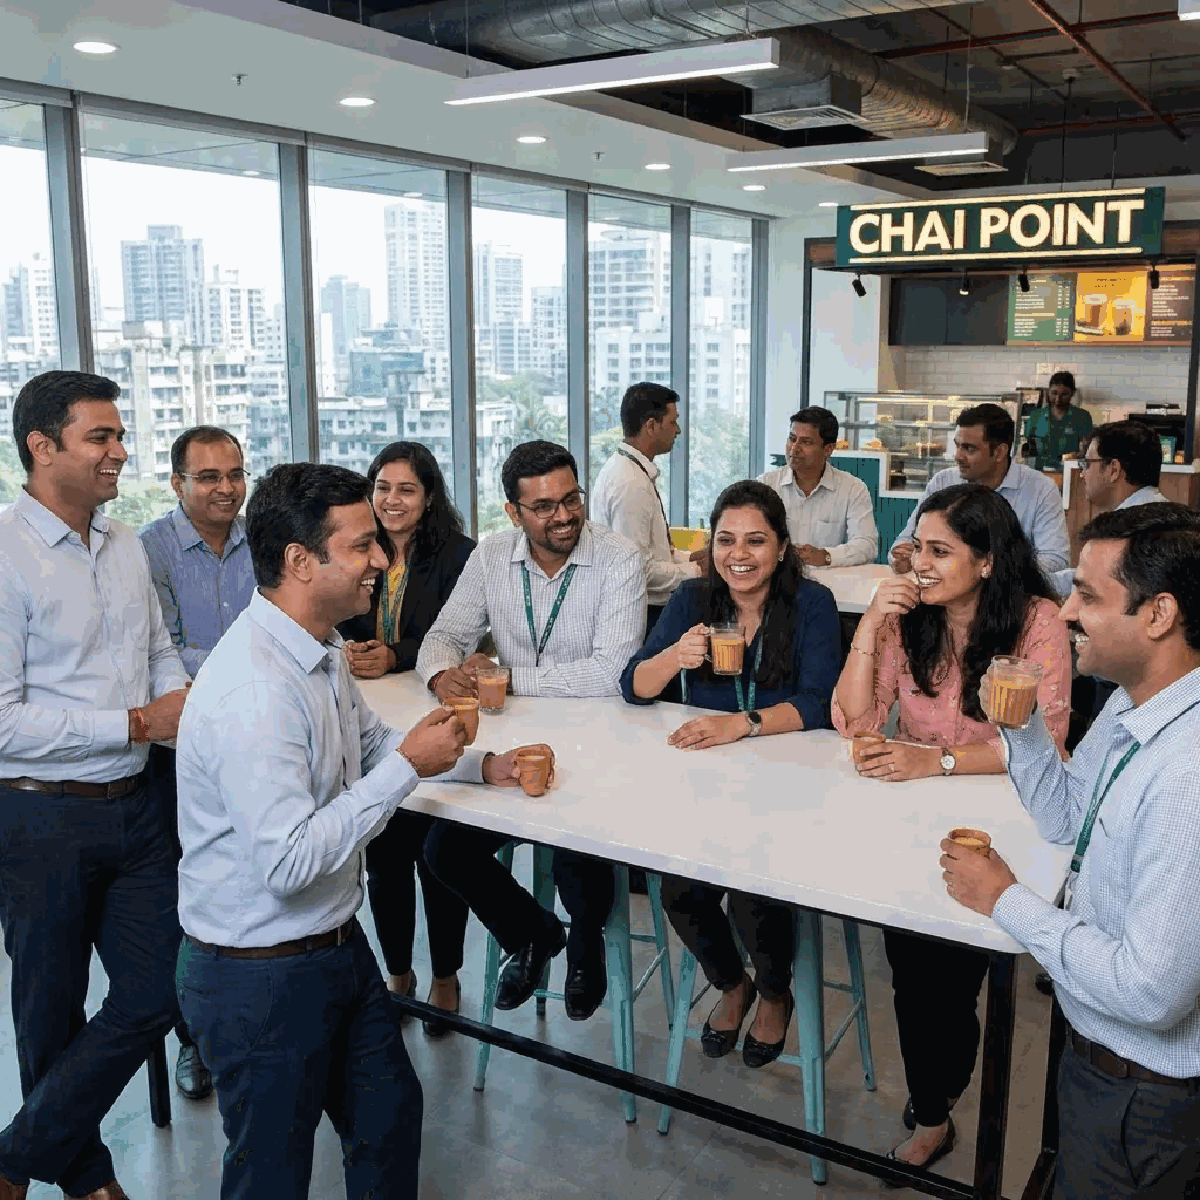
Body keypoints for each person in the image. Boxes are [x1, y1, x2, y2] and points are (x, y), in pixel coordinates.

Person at [174, 461, 555, 1200]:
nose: (380, 560)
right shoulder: (256, 689)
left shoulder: (316, 649)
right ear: (298, 561)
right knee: (270, 1175)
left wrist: (483, 766)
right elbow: (288, 860)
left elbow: (375, 747)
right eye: (360, 546)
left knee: (387, 1117)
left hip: (334, 951)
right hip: (258, 973)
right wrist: (407, 768)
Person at [943, 503, 1200, 1199]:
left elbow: (1151, 992)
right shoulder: (1134, 701)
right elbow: (1066, 821)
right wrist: (1019, 728)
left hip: (1144, 1092)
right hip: (1097, 1055)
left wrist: (1006, 901)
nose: (1063, 614)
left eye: (1087, 595)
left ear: (1160, 614)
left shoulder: (1187, 776)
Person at [833, 482, 1070, 1176]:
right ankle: (933, 1110)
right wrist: (872, 625)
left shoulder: (1038, 623)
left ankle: (941, 1091)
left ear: (989, 561)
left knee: (956, 979)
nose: (921, 565)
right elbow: (852, 722)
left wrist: (931, 760)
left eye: (940, 551)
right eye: (917, 549)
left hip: (999, 826)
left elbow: (1044, 743)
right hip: (910, 816)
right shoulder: (910, 617)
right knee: (911, 973)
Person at [0, 371, 191, 1200]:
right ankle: (87, 1177)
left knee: (162, 989)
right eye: (101, 438)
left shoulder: (122, 546)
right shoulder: (6, 558)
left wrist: (173, 702)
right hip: (41, 819)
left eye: (120, 436)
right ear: (43, 448)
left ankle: (17, 1154)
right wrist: (134, 725)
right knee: (50, 1010)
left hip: (138, 806)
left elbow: (154, 653)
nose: (121, 451)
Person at [418, 440, 646, 1022]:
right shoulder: (492, 555)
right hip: (512, 742)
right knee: (443, 849)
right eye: (544, 507)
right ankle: (534, 932)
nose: (565, 515)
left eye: (571, 499)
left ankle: (587, 940)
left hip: (599, 739)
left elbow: (610, 672)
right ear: (512, 512)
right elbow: (443, 636)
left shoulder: (618, 557)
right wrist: (445, 673)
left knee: (575, 842)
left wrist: (509, 677)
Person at [621, 480, 840, 1067]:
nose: (738, 555)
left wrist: (739, 723)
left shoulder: (812, 604)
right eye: (725, 540)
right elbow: (634, 688)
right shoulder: (694, 600)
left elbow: (820, 703)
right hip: (706, 782)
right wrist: (673, 657)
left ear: (782, 547)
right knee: (679, 889)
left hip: (787, 780)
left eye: (755, 541)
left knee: (750, 892)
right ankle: (731, 984)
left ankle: (773, 992)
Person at [336, 441, 475, 1034]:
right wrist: (348, 649)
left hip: (431, 714)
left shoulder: (459, 555)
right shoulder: (349, 548)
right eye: (383, 487)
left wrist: (396, 654)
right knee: (386, 857)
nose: (392, 500)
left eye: (406, 489)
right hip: (365, 717)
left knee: (437, 857)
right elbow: (330, 615)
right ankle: (398, 974)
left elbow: (459, 638)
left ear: (429, 497)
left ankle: (445, 974)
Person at [139, 423, 256, 1102]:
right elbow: (164, 654)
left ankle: (257, 1025)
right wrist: (254, 665)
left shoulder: (263, 540)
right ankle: (197, 1041)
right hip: (179, 755)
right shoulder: (147, 550)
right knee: (192, 903)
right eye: (208, 477)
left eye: (235, 474)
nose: (225, 489)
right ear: (177, 483)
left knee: (258, 887)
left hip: (257, 746)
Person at [890, 403, 1070, 579]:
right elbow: (904, 541)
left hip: (1011, 600)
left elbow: (1056, 559)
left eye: (969, 448)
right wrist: (901, 559)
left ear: (999, 452)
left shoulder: (1040, 489)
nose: (958, 456)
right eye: (957, 445)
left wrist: (987, 573)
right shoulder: (943, 482)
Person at [590, 381, 697, 631]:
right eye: (672, 422)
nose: (678, 430)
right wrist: (696, 571)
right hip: (640, 616)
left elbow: (650, 552)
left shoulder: (631, 471)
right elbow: (639, 571)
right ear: (651, 426)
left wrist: (688, 557)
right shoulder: (630, 483)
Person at [1051, 420, 1167, 600]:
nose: (1082, 474)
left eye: (1087, 463)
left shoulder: (1131, 531)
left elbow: (1091, 587)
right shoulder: (1156, 512)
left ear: (1114, 469)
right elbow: (1086, 578)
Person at [757, 407, 879, 567]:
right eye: (792, 439)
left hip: (830, 582)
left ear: (828, 449)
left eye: (806, 442)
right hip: (777, 581)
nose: (794, 448)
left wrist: (826, 556)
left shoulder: (853, 489)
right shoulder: (766, 485)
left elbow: (867, 546)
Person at [1023, 371, 1094, 473]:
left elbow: (1088, 449)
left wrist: (1081, 453)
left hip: (1069, 473)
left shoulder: (1082, 417)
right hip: (1038, 473)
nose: (1058, 399)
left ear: (1072, 393)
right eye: (1054, 393)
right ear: (1048, 391)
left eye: (1064, 394)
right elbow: (1027, 447)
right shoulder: (1036, 416)